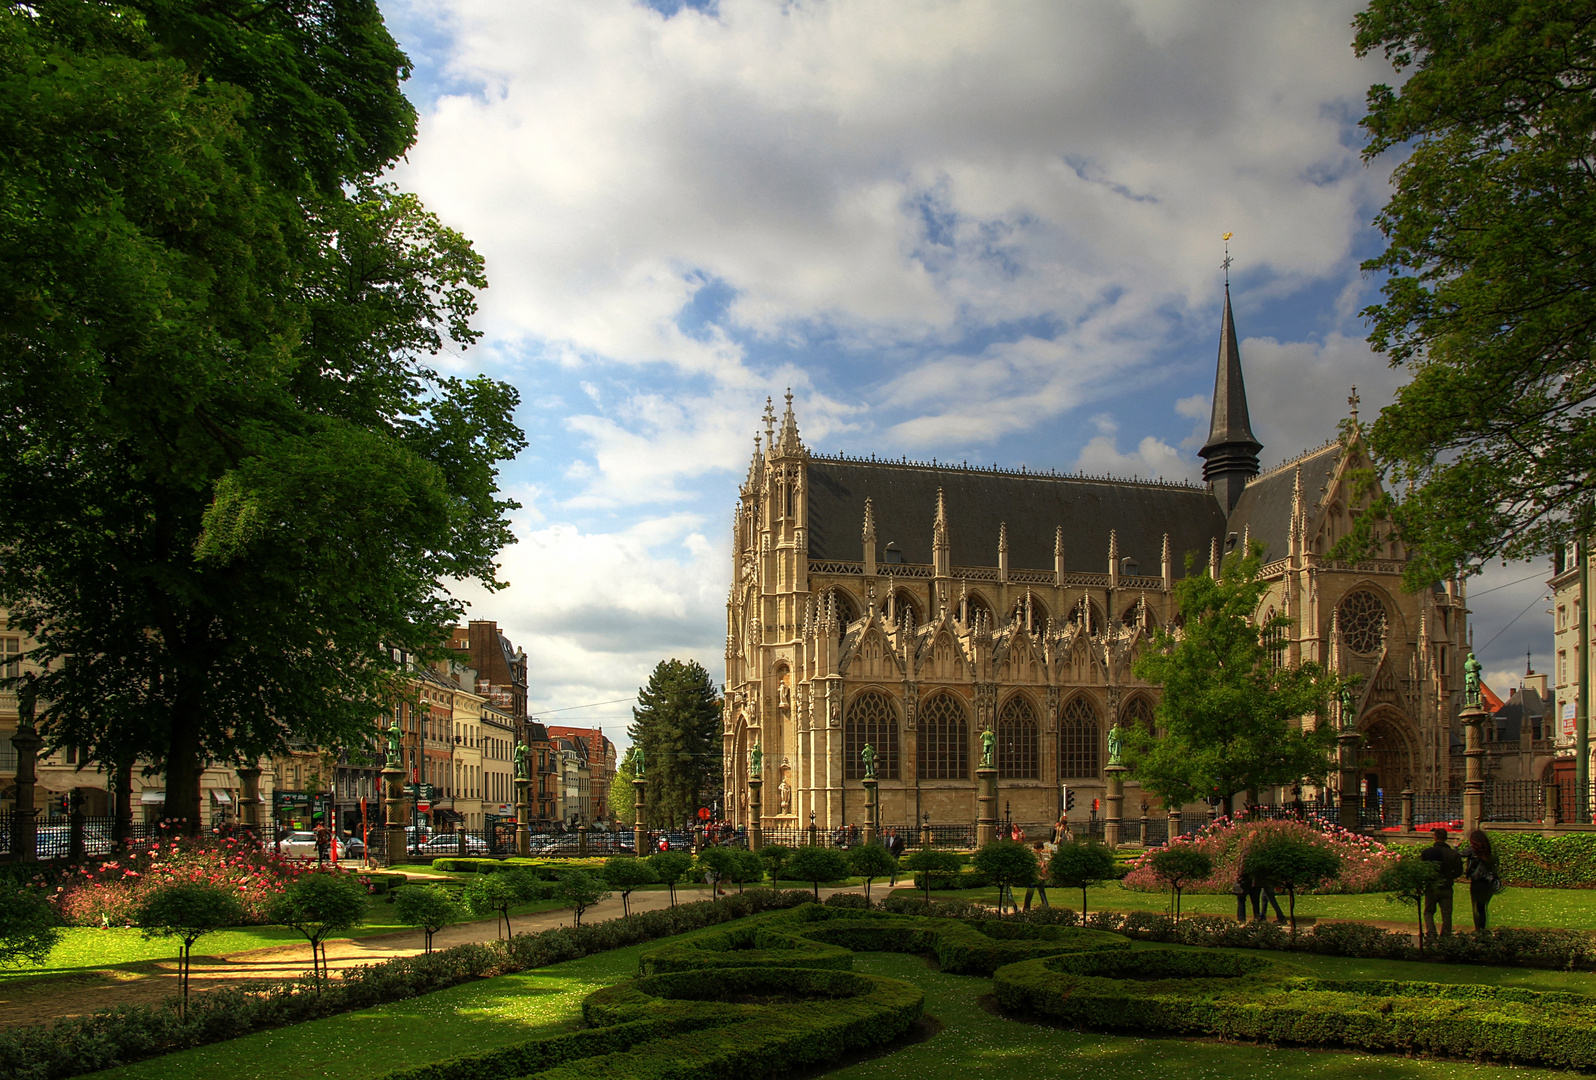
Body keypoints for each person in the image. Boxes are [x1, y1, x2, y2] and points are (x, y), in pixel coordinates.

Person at [1419, 826, 1465, 938]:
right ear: (1446, 838)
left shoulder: (1427, 852)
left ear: (1435, 838)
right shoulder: (1453, 854)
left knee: (1428, 912)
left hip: (1432, 886)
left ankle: (1431, 932)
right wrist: (1449, 876)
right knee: (1447, 914)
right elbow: (1459, 871)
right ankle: (1445, 936)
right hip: (1446, 886)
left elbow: (1421, 869)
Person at [1465, 829, 1500, 930]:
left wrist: (1455, 846)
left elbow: (1459, 854)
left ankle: (1478, 929)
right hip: (1487, 883)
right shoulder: (1488, 850)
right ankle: (1482, 929)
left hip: (1477, 882)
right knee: (1482, 908)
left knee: (1476, 908)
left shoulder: (1473, 850)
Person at [1024, 841, 1051, 912]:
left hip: (1039, 877)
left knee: (1042, 892)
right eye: (1040, 849)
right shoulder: (1031, 855)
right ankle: (1026, 908)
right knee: (1030, 893)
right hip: (1033, 877)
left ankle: (1046, 907)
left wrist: (1044, 867)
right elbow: (1032, 864)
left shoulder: (1040, 855)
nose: (1040, 851)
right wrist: (1040, 865)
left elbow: (1043, 862)